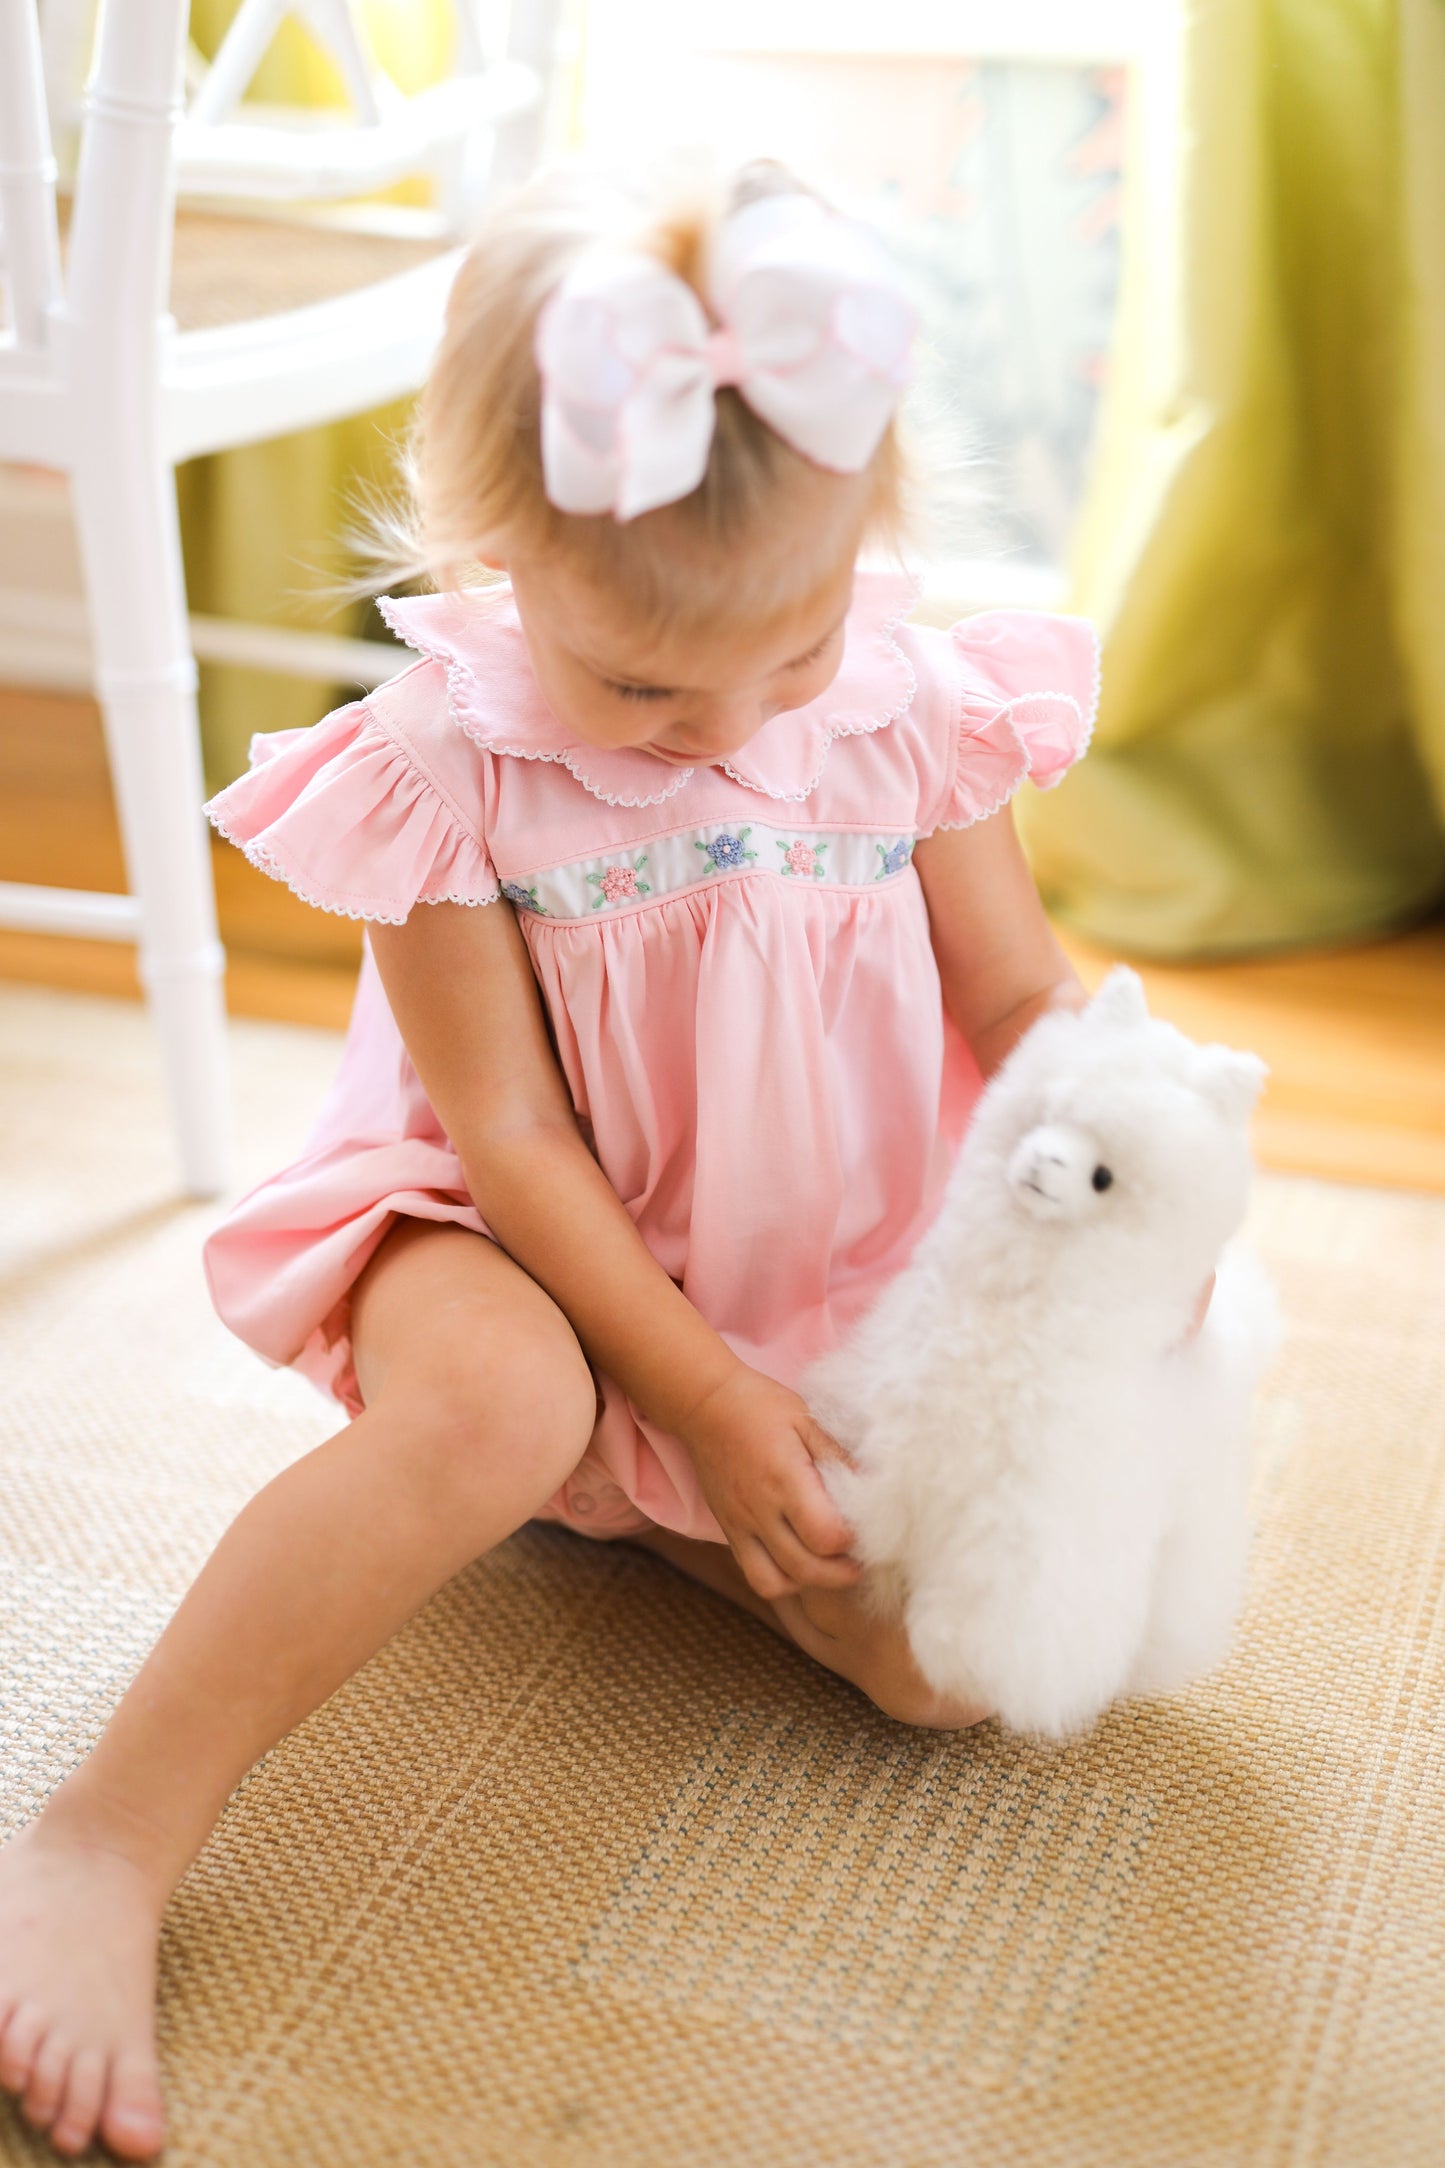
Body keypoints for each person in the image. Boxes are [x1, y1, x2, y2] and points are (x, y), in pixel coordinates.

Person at [0, 161, 1108, 2160]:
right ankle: (102, 1833)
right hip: (506, 1229)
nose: (721, 733)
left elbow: (1023, 1000)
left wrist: (1132, 1164)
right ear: (496, 554)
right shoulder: (450, 767)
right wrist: (691, 1381)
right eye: (643, 687)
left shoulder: (909, 703)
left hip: (804, 1257)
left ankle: (671, 1496)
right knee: (508, 1404)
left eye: (784, 660)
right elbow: (505, 1134)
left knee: (956, 1671)